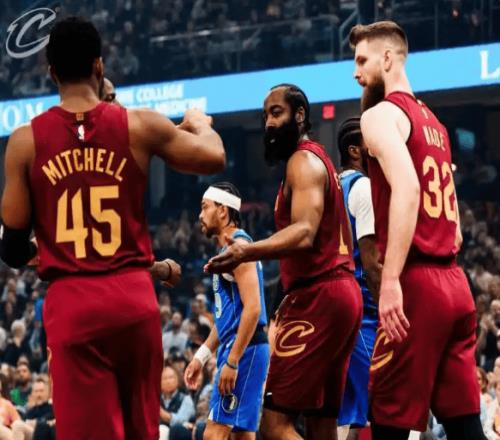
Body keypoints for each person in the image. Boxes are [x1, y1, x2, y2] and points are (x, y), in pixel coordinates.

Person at [0, 17, 225, 440]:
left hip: (73, 304)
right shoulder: (139, 124)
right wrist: (199, 122)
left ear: (51, 73)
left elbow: (11, 248)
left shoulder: (26, 141)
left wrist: (45, 249)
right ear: (99, 66)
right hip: (133, 300)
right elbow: (214, 157)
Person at [349, 21, 485, 439]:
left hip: (417, 286)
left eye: (362, 61)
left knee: (388, 425)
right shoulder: (436, 125)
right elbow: (456, 231)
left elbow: (408, 188)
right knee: (465, 427)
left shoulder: (379, 116)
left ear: (388, 58)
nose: (356, 72)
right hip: (455, 286)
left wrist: (390, 279)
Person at [206, 85, 362, 440]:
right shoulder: (316, 161)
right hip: (338, 295)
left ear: (300, 115)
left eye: (277, 113)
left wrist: (246, 251)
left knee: (274, 425)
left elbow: (305, 233)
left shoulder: (302, 161)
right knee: (321, 422)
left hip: (319, 297)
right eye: (265, 116)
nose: (269, 123)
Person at [185, 182, 270, 439]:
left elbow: (253, 309)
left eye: (205, 207)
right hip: (243, 347)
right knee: (242, 435)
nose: (200, 215)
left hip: (244, 350)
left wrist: (232, 361)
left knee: (213, 434)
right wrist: (201, 357)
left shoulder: (238, 246)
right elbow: (225, 319)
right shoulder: (228, 250)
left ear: (222, 211)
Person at [336, 117, 381, 440]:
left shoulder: (327, 187)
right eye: (370, 144)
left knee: (344, 413)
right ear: (354, 150)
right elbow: (371, 262)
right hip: (363, 309)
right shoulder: (362, 186)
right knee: (384, 401)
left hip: (336, 307)